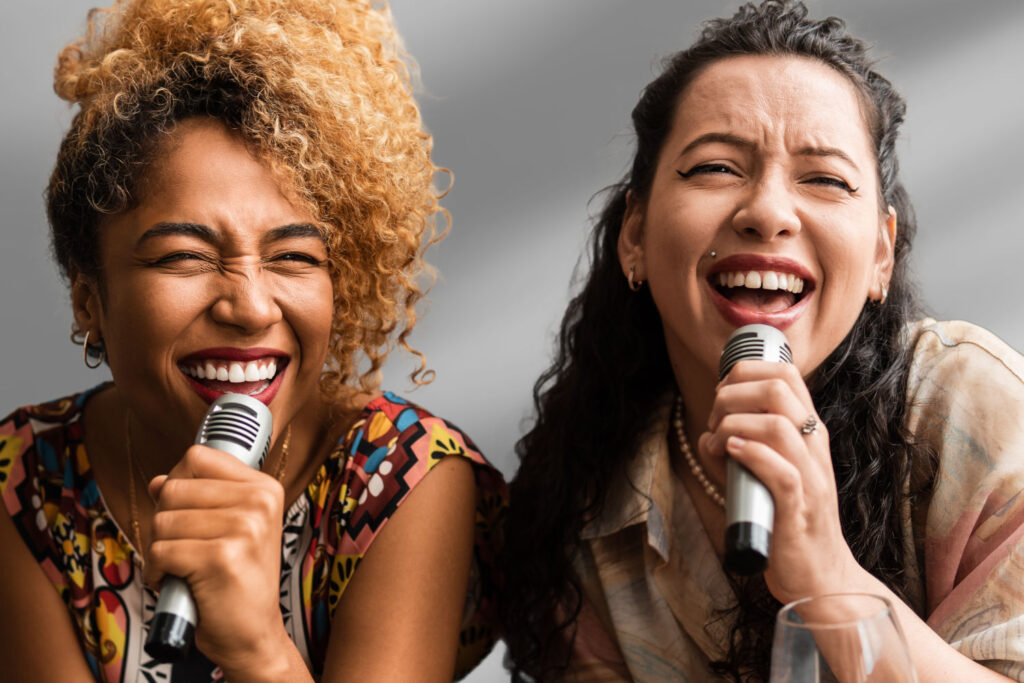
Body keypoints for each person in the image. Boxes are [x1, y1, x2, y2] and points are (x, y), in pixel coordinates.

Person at [502, 1, 1024, 681]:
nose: (769, 213)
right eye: (716, 167)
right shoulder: (588, 504)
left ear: (880, 255)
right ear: (634, 233)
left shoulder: (970, 409)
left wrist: (826, 572)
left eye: (826, 179)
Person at [0, 0, 506, 681]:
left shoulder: (403, 480)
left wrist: (257, 649)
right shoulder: (24, 479)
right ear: (90, 298)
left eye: (294, 257)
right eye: (184, 255)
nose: (248, 306)